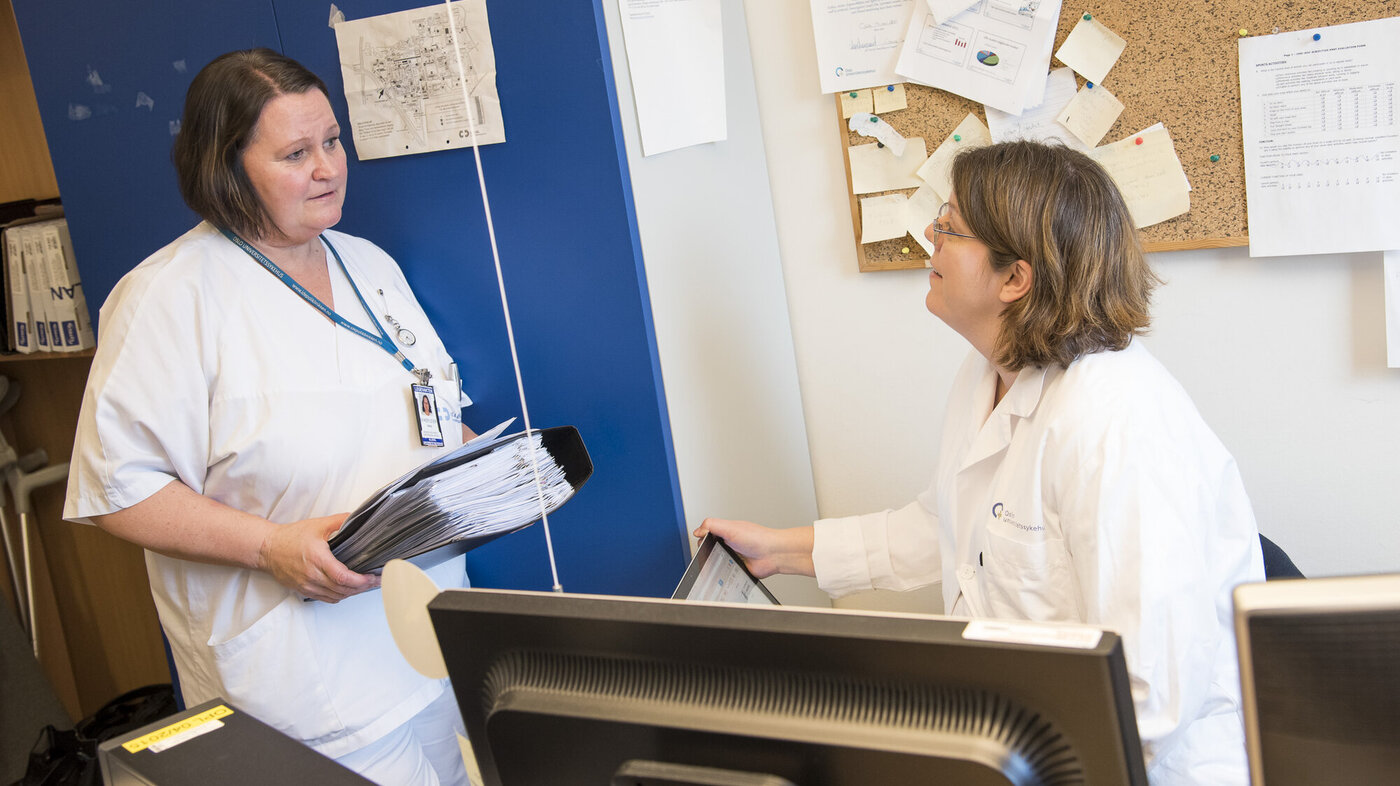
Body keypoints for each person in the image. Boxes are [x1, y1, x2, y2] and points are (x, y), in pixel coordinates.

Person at [699, 141, 1264, 785]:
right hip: (1021, 730)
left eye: (950, 228)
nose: (929, 239)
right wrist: (779, 551)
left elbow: (1148, 700)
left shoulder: (1117, 423)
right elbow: (947, 527)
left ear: (1014, 278)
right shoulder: (989, 372)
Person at [63, 49, 475, 785]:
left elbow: (424, 412)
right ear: (227, 168)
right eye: (295, 153)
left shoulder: (368, 266)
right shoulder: (168, 297)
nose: (328, 168)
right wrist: (269, 547)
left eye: (332, 142)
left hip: (421, 646)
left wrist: (486, 470)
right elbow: (115, 491)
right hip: (299, 689)